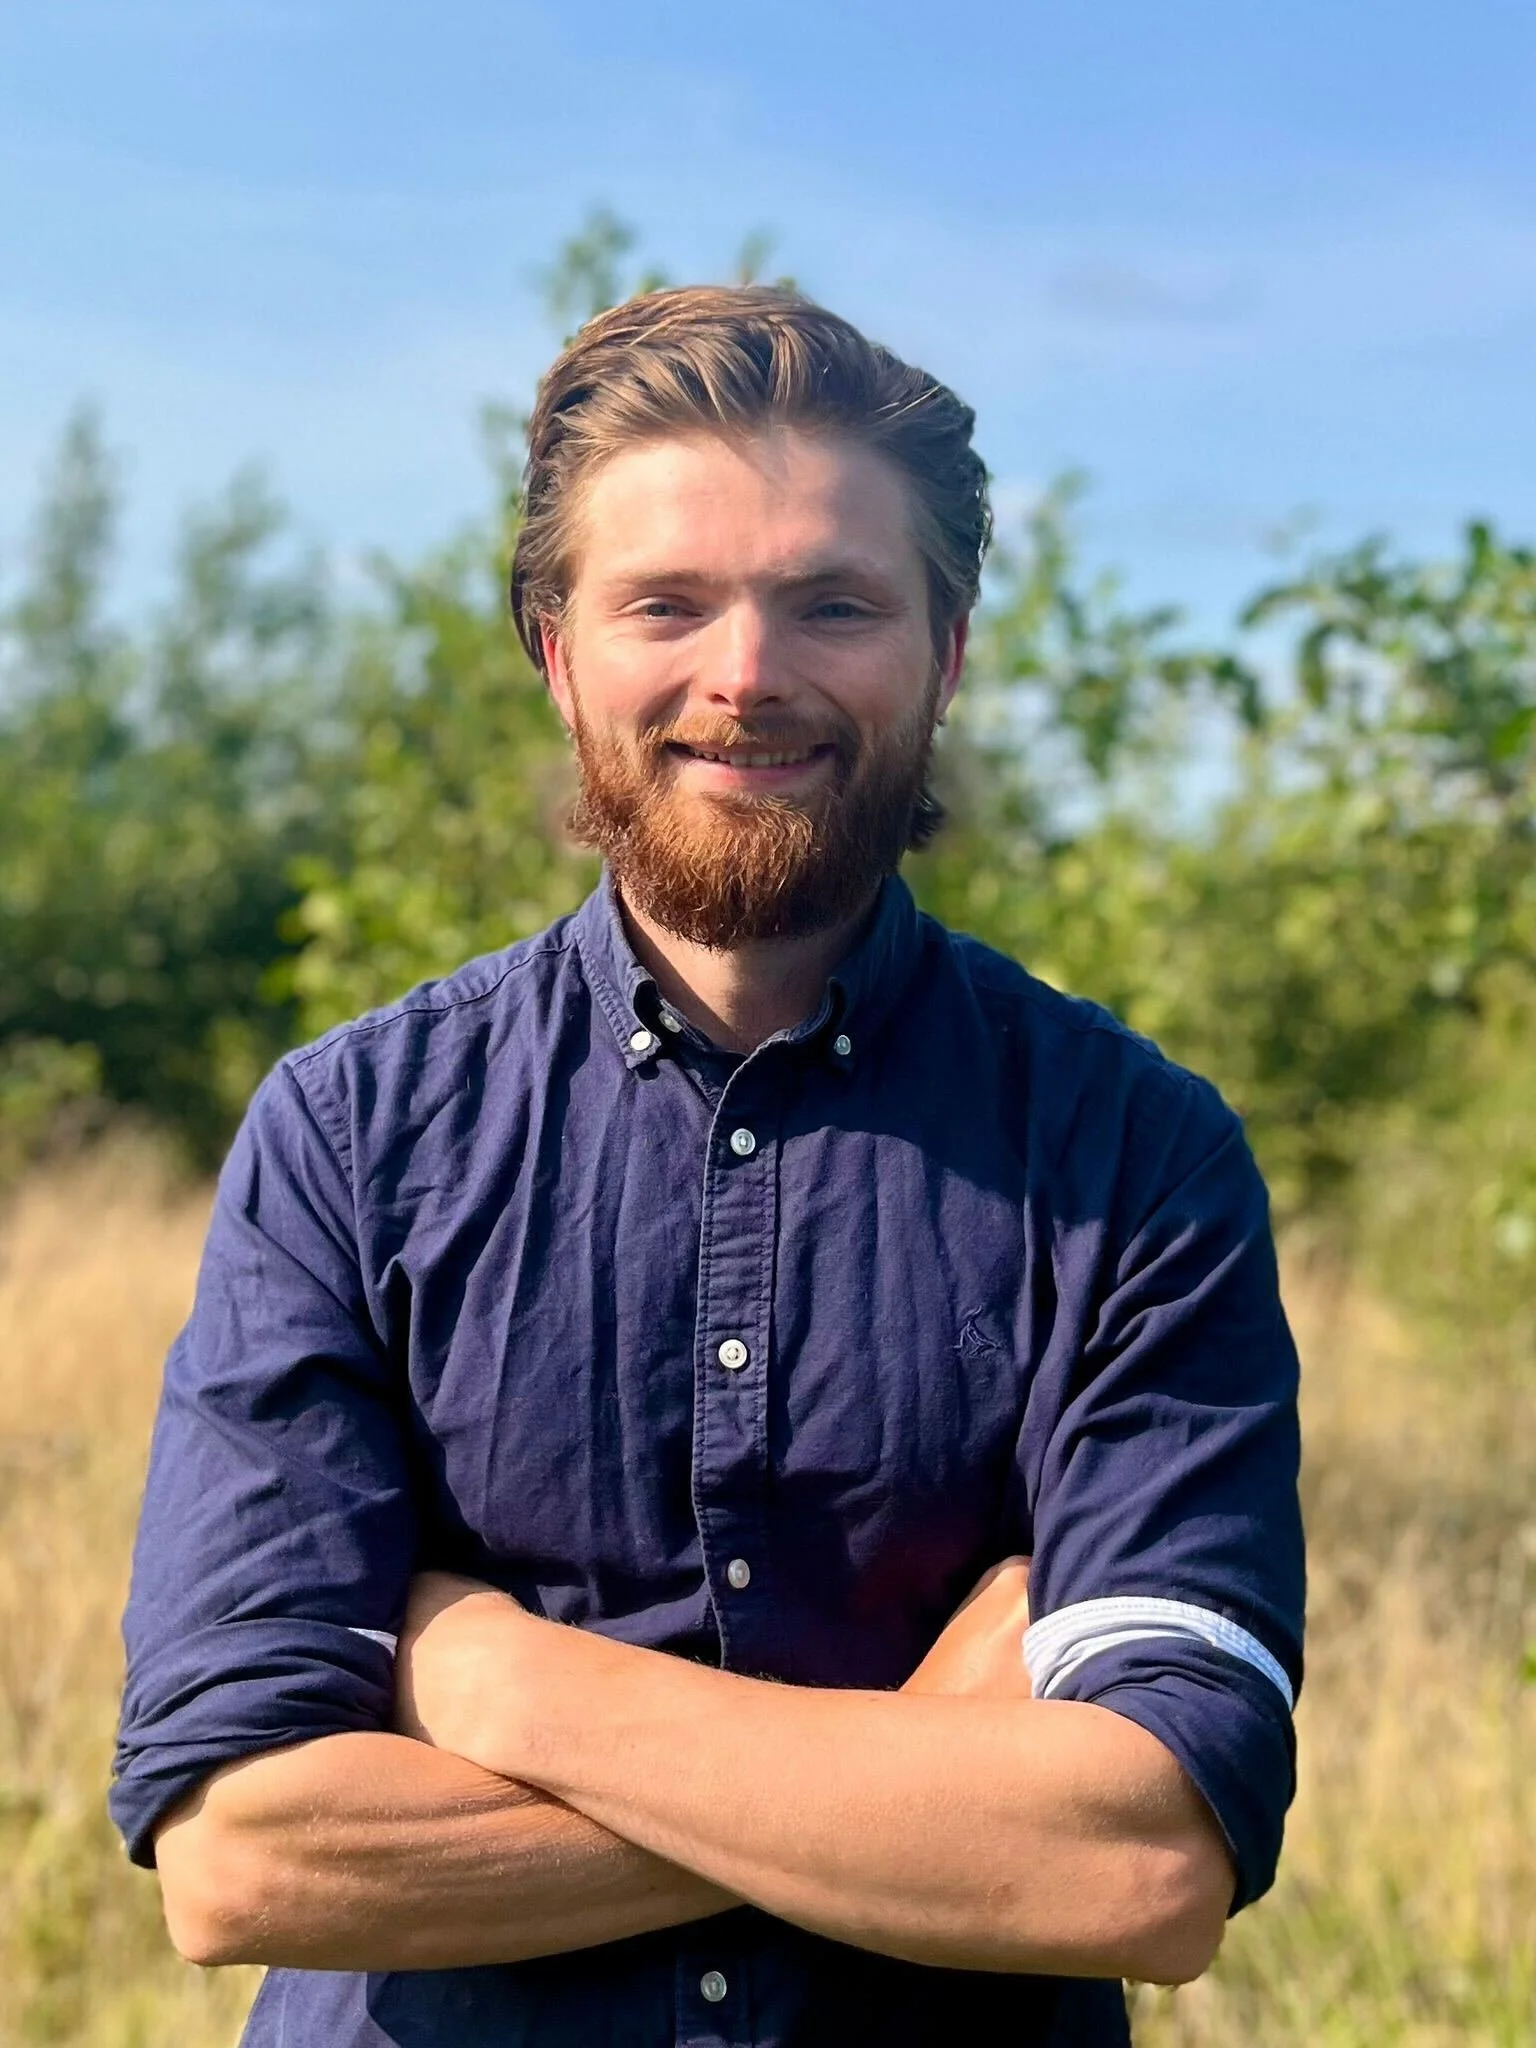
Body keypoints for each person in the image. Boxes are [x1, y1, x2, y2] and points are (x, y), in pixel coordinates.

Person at [111, 286, 1304, 2048]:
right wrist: (930, 1776)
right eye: (666, 603)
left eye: (836, 603)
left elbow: (1138, 1868)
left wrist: (502, 1680)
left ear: (947, 654)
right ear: (556, 652)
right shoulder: (348, 1137)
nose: (747, 675)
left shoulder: (1136, 1156)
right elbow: (244, 1856)